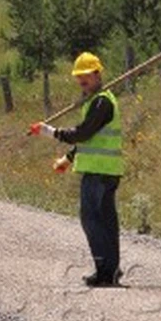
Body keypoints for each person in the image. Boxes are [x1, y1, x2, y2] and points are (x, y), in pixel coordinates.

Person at [30, 52, 124, 287]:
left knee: (92, 220)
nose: (82, 80)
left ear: (97, 74)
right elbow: (91, 140)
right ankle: (110, 269)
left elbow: (82, 133)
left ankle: (105, 271)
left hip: (99, 172)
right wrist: (68, 158)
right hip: (104, 171)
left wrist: (51, 132)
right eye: (79, 76)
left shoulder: (101, 102)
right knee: (105, 221)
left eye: (86, 75)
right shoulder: (97, 101)